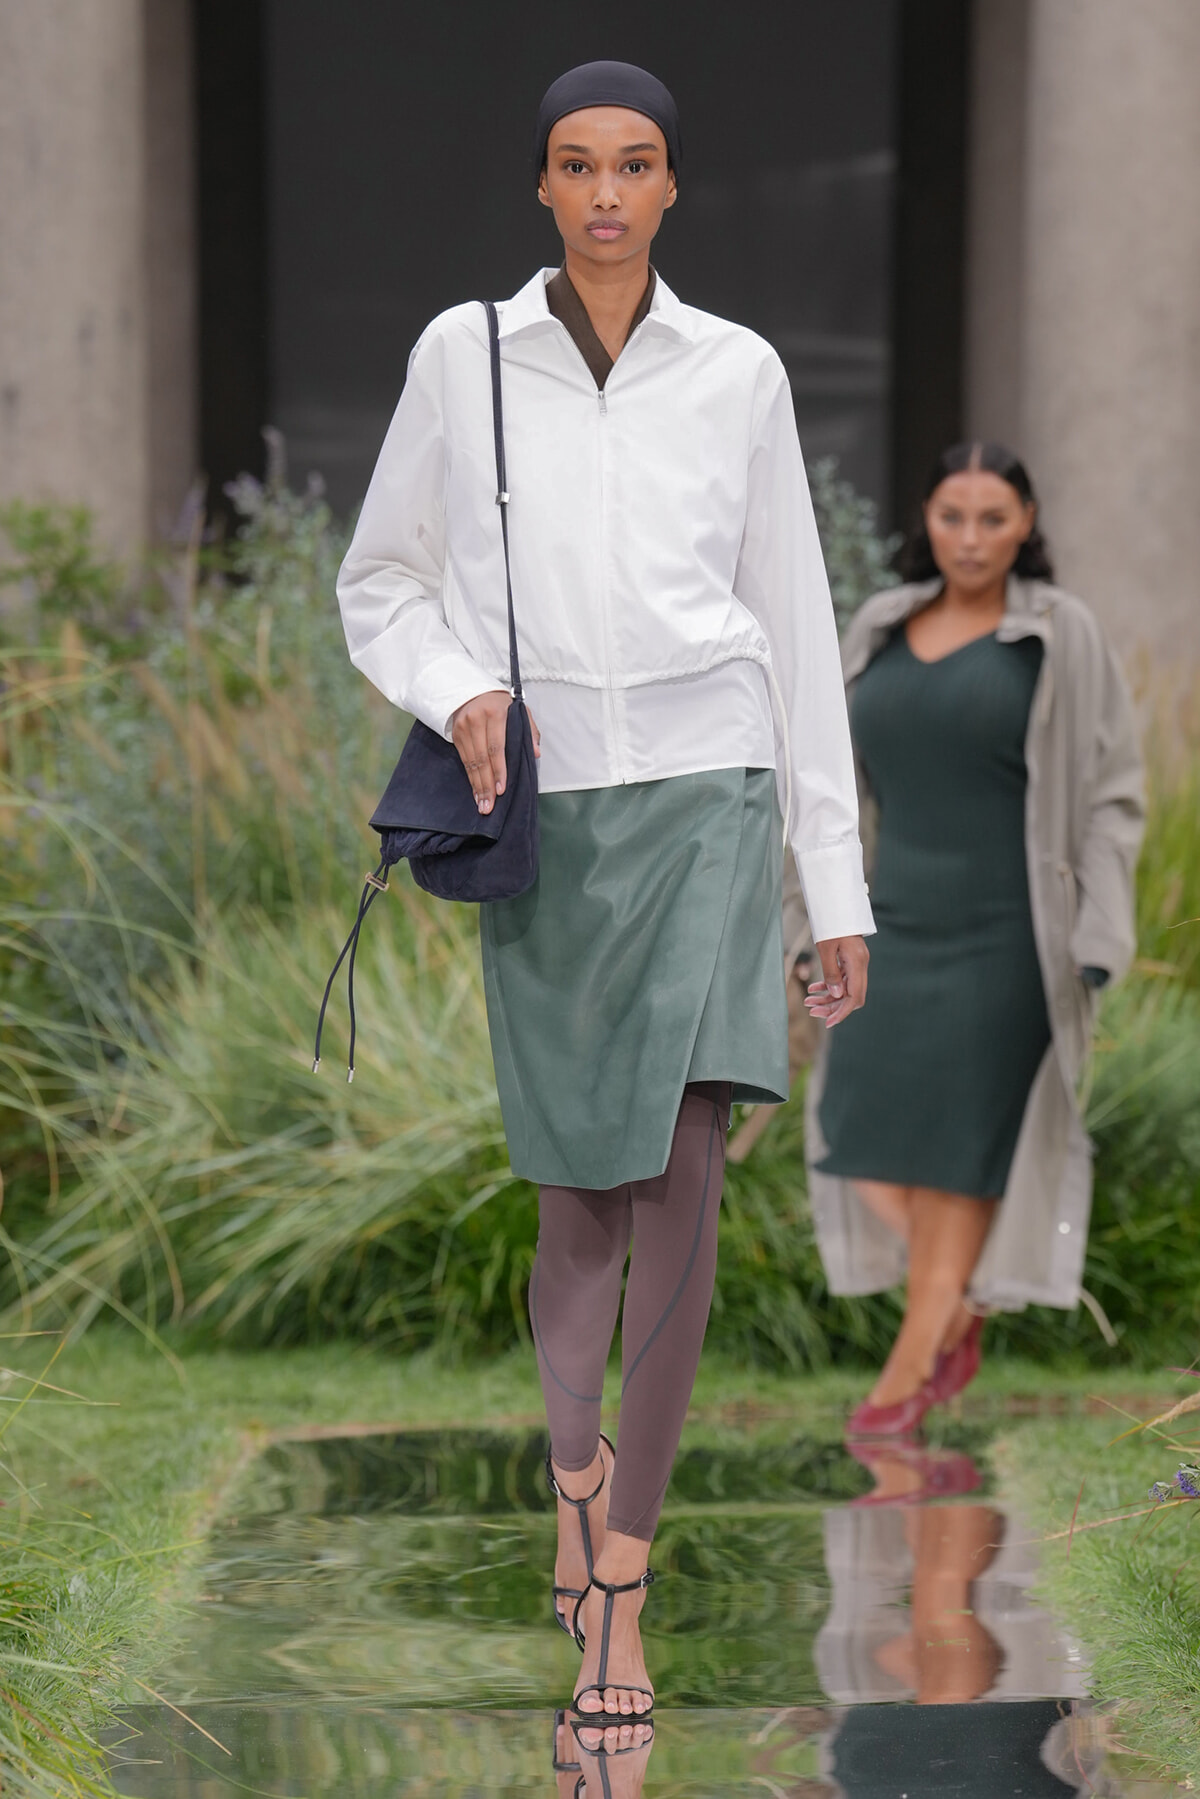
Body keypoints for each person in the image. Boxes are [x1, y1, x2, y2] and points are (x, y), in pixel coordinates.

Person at [337, 60, 874, 1734]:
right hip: (551, 804)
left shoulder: (739, 373)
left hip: (712, 790)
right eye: (578, 166)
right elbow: (383, 578)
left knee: (682, 1178)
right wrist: (455, 684)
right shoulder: (462, 355)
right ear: (544, 188)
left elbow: (788, 604)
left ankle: (620, 1585)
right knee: (581, 1195)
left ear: (674, 186)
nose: (607, 195)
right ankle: (571, 1472)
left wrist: (830, 878)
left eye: (636, 165)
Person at [804, 442, 1144, 1436]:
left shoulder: (1059, 633)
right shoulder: (879, 623)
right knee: (850, 1126)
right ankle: (962, 1305)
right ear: (927, 516)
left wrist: (1098, 930)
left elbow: (1114, 793)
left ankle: (901, 1384)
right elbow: (820, 780)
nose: (972, 537)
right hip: (888, 925)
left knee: (959, 1151)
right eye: (954, 515)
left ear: (1027, 522)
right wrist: (812, 918)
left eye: (994, 517)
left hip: (1014, 934)